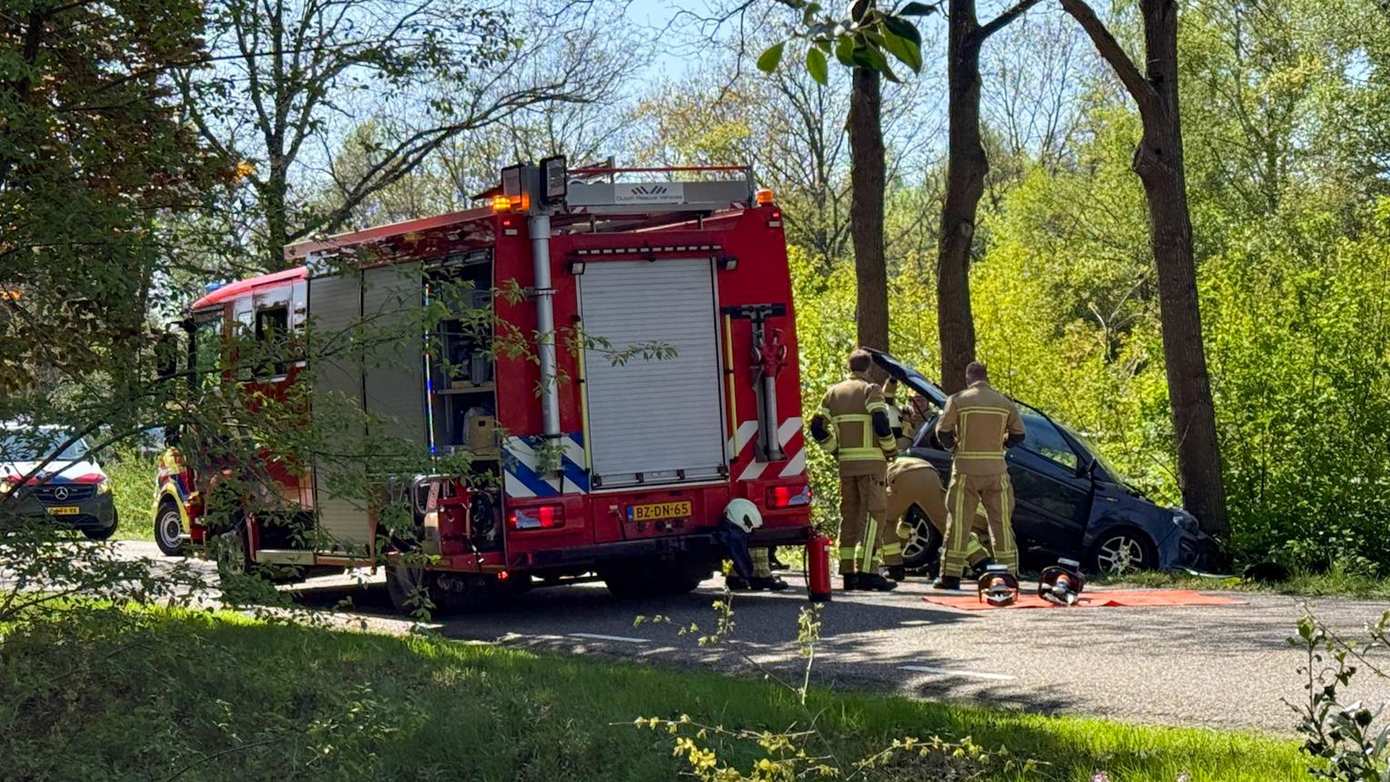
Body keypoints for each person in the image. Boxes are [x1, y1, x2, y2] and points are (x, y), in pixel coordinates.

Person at [808, 349, 897, 592]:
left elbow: (816, 427)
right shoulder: (871, 389)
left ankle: (848, 572)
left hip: (846, 466)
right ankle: (868, 571)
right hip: (872, 466)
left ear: (849, 366)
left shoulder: (833, 393)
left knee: (849, 516)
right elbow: (880, 422)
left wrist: (835, 449)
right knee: (873, 516)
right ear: (868, 369)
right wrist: (890, 449)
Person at [933, 361, 1026, 590]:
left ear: (968, 378)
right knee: (1001, 524)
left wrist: (954, 447)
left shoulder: (957, 400)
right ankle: (1010, 574)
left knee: (959, 523)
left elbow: (943, 432)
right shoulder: (1004, 403)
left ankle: (950, 576)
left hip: (965, 471)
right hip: (996, 471)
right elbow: (1019, 435)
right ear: (986, 377)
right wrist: (1001, 444)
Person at [885, 456, 991, 581]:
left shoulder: (882, 466)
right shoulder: (902, 459)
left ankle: (894, 568)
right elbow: (906, 519)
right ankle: (982, 561)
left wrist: (899, 556)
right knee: (947, 525)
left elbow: (892, 506)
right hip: (929, 474)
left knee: (886, 521)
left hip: (903, 476)